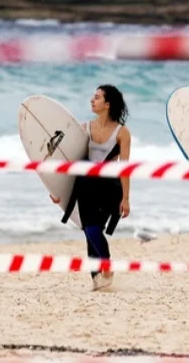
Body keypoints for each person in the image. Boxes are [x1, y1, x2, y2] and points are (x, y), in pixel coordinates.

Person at [50, 84, 132, 291]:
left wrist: (126, 198)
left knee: (93, 230)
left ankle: (105, 267)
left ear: (108, 104)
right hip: (86, 187)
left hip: (109, 189)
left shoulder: (122, 133)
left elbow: (125, 169)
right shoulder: (84, 128)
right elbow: (66, 160)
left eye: (96, 97)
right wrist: (56, 190)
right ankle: (98, 280)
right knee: (89, 231)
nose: (91, 100)